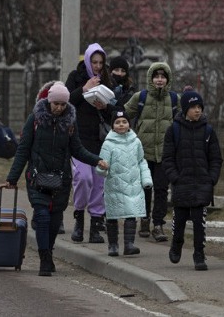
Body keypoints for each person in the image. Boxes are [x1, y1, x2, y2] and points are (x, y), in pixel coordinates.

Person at [2, 82, 109, 276]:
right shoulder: (34, 120)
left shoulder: (70, 122)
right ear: (49, 102)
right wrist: (12, 178)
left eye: (62, 104)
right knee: (42, 216)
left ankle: (48, 251)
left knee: (54, 221)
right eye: (56, 104)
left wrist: (97, 160)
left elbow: (77, 149)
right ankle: (45, 259)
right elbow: (23, 150)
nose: (59, 108)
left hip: (61, 180)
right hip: (37, 177)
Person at [162, 90, 223, 271]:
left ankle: (199, 254)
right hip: (181, 183)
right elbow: (167, 158)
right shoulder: (174, 130)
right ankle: (177, 244)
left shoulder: (208, 131)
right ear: (185, 109)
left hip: (202, 183)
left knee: (199, 223)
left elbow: (216, 158)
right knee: (179, 219)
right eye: (193, 107)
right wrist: (174, 177)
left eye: (199, 107)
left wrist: (211, 178)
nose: (197, 111)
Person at [122, 62, 178, 242]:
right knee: (145, 188)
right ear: (150, 79)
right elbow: (122, 116)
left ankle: (158, 224)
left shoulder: (175, 100)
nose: (159, 80)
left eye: (163, 77)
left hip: (165, 153)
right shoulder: (141, 97)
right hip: (143, 153)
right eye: (156, 76)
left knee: (161, 189)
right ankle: (144, 219)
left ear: (167, 80)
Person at [65, 43, 115, 243]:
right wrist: (84, 89)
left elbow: (115, 112)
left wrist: (105, 107)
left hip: (100, 139)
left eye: (100, 63)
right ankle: (79, 218)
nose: (97, 67)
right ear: (87, 61)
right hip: (79, 137)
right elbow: (65, 102)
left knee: (98, 183)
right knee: (83, 178)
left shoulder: (107, 80)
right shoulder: (75, 77)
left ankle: (95, 224)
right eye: (94, 62)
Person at [96, 110, 152, 257]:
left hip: (133, 185)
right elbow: (101, 164)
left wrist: (146, 179)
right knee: (112, 215)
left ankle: (129, 244)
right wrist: (102, 168)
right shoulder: (108, 144)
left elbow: (141, 161)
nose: (121, 125)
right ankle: (113, 246)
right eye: (117, 122)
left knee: (131, 214)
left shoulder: (136, 141)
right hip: (114, 185)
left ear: (129, 124)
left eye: (124, 122)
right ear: (113, 126)